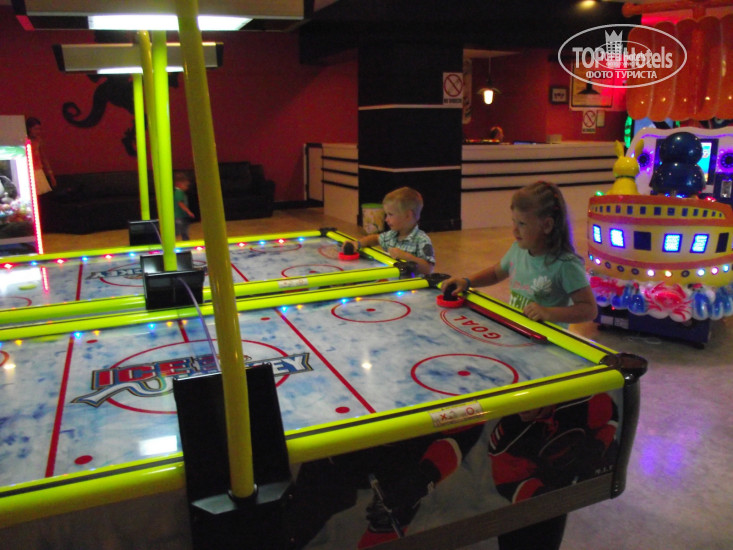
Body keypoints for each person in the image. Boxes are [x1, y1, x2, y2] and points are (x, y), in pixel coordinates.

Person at [443, 180, 597, 328]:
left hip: (546, 341)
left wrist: (548, 313)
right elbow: (496, 273)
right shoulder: (518, 250)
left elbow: (589, 310)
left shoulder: (565, 264)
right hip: (518, 332)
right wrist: (467, 282)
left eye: (522, 224)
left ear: (547, 225)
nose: (514, 230)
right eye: (514, 222)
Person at [343, 186, 435, 275]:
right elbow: (375, 238)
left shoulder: (422, 240)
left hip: (413, 284)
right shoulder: (391, 235)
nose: (386, 219)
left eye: (390, 215)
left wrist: (406, 256)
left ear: (408, 215)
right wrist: (357, 244)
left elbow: (428, 268)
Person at [26, 117, 57, 195]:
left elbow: (43, 157)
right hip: (27, 170)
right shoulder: (24, 140)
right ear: (29, 129)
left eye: (39, 129)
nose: (38, 131)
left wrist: (51, 175)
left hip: (38, 170)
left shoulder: (38, 140)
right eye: (35, 129)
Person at [173, 171, 195, 241]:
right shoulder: (179, 192)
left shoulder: (180, 192)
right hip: (179, 216)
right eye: (186, 185)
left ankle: (184, 239)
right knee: (182, 229)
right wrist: (188, 212)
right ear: (179, 184)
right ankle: (184, 240)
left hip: (180, 216)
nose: (187, 187)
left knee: (182, 229)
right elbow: (180, 203)